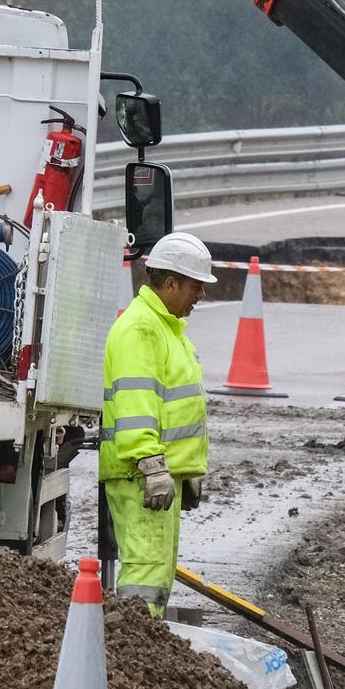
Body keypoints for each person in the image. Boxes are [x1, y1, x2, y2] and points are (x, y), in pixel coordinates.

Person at [100, 231, 217, 613]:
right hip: (141, 475)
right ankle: (131, 655)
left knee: (157, 571)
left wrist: (186, 470)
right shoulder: (142, 329)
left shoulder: (165, 328)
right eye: (196, 287)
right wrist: (152, 466)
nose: (200, 296)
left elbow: (174, 409)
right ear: (171, 283)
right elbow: (137, 406)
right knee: (145, 573)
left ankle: (143, 652)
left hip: (158, 473)